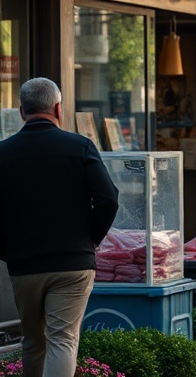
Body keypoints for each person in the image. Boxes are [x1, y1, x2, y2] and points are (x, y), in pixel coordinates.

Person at [0, 77, 120, 377]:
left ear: (21, 111)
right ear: (58, 108)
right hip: (72, 263)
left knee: (32, 341)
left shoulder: (3, 153)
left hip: (24, 265)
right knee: (62, 340)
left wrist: (7, 250)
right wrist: (89, 239)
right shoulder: (79, 147)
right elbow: (108, 199)